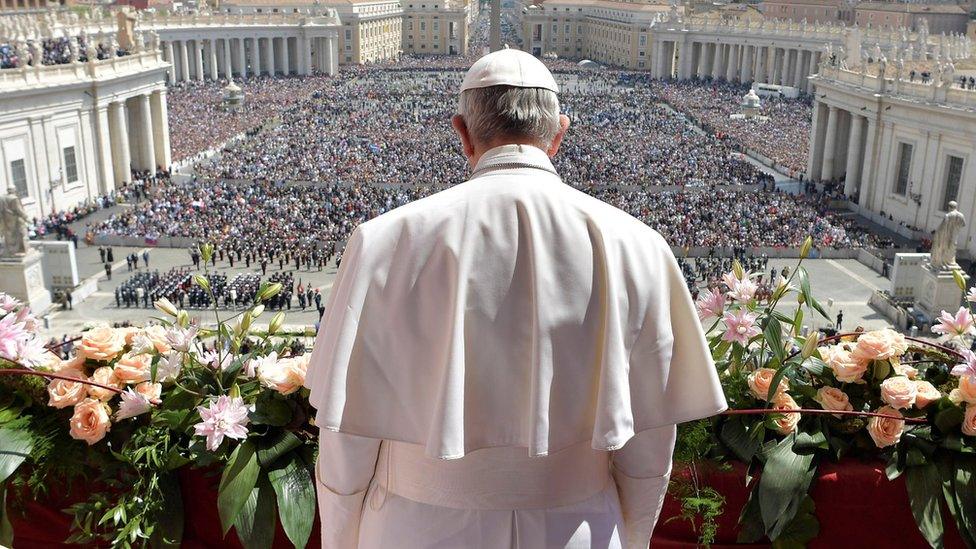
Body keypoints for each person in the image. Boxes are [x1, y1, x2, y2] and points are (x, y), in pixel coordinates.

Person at [305, 49, 727, 549]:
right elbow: (649, 449)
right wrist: (630, 536)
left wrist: (339, 538)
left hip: (413, 529)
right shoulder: (639, 244)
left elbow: (346, 440)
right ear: (559, 135)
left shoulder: (383, 241)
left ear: (461, 133)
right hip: (579, 529)